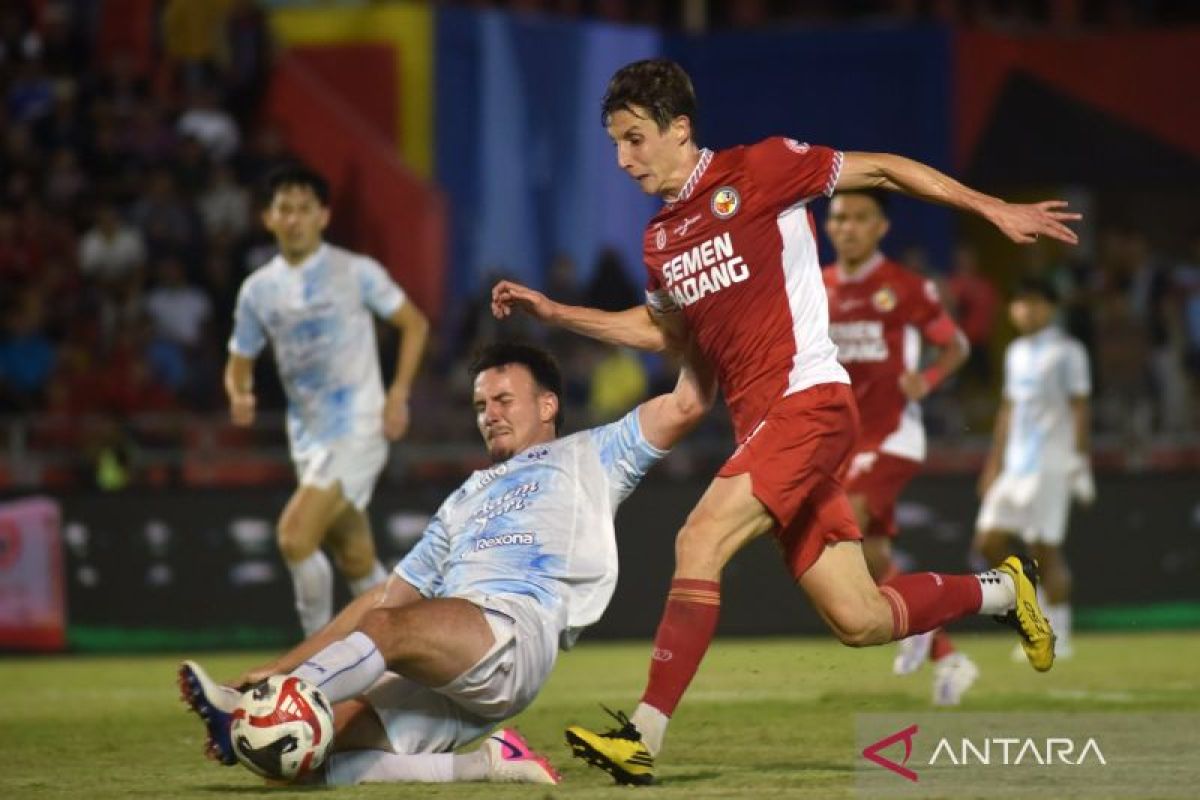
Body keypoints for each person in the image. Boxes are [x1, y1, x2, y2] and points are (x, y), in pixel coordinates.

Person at [490, 58, 1078, 784]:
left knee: (698, 535)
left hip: (812, 403)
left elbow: (886, 172)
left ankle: (642, 734)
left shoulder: (762, 170)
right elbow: (666, 336)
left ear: (679, 129)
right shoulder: (660, 241)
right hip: (767, 432)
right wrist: (558, 314)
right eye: (615, 142)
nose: (623, 158)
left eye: (635, 138)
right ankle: (1003, 590)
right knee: (860, 619)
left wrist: (991, 207)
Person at [179, 341, 715, 786]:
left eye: (504, 400)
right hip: (447, 655)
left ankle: (248, 715)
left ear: (548, 405)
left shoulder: (594, 453)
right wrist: (284, 665)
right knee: (299, 766)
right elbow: (385, 600)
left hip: (513, 631)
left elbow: (688, 401)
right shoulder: (464, 498)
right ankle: (492, 764)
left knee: (378, 639)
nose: (490, 415)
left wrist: (705, 316)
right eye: (482, 406)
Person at [225, 164, 429, 636]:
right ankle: (411, 655)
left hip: (358, 428)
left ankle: (313, 665)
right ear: (268, 218)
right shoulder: (258, 290)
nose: (293, 218)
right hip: (308, 440)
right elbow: (239, 355)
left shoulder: (355, 272)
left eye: (303, 209)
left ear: (323, 216)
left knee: (294, 537)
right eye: (284, 209)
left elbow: (414, 324)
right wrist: (240, 392)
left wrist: (397, 395)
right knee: (356, 557)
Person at [821, 189, 975, 704]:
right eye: (839, 218)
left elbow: (956, 344)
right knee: (872, 558)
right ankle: (946, 653)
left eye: (860, 219)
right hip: (842, 441)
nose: (847, 227)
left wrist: (927, 380)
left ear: (881, 227)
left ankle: (943, 618)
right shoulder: (815, 289)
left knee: (850, 520)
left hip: (892, 437)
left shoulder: (904, 287)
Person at [975, 278, 1093, 660]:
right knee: (988, 541)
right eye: (1019, 303)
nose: (1025, 310)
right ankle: (1032, 611)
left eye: (1034, 303)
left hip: (1051, 464)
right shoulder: (1014, 352)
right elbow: (1008, 410)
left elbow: (1079, 407)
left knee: (1045, 550)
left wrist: (1079, 460)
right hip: (1015, 466)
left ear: (1051, 307)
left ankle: (1058, 633)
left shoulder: (1068, 352)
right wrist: (993, 465)